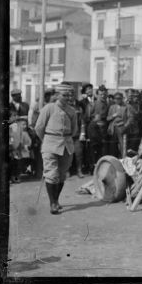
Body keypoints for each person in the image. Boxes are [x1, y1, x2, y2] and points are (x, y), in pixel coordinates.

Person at [34, 83, 78, 214]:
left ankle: (56, 200)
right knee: (51, 174)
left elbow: (74, 130)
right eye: (64, 95)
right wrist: (47, 140)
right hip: (50, 144)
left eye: (70, 95)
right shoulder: (49, 108)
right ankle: (52, 203)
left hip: (67, 146)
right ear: (57, 95)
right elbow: (39, 127)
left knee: (62, 175)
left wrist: (66, 138)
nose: (68, 98)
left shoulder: (72, 111)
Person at [87, 85, 109, 167]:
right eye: (101, 94)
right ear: (97, 95)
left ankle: (98, 165)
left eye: (104, 94)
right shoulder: (96, 104)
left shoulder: (106, 103)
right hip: (96, 128)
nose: (103, 96)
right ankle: (93, 166)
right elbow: (90, 116)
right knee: (95, 148)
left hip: (102, 127)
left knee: (101, 148)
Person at [107, 92, 128, 157]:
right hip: (113, 128)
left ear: (122, 99)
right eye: (116, 99)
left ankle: (123, 159)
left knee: (122, 145)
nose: (117, 100)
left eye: (119, 98)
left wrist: (124, 126)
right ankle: (114, 158)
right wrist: (113, 116)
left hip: (121, 128)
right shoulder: (112, 107)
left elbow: (128, 119)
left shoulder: (125, 107)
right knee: (113, 145)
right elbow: (107, 118)